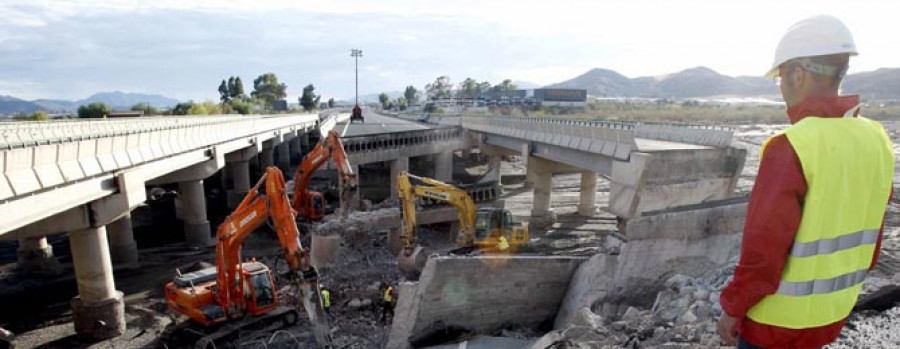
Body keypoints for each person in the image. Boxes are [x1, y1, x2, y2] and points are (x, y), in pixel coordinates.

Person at [717, 15, 894, 349]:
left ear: (797, 75)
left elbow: (763, 253)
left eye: (780, 78)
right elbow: (873, 237)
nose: (781, 87)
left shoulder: (790, 146)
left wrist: (732, 308)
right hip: (833, 313)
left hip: (777, 323)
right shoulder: (877, 138)